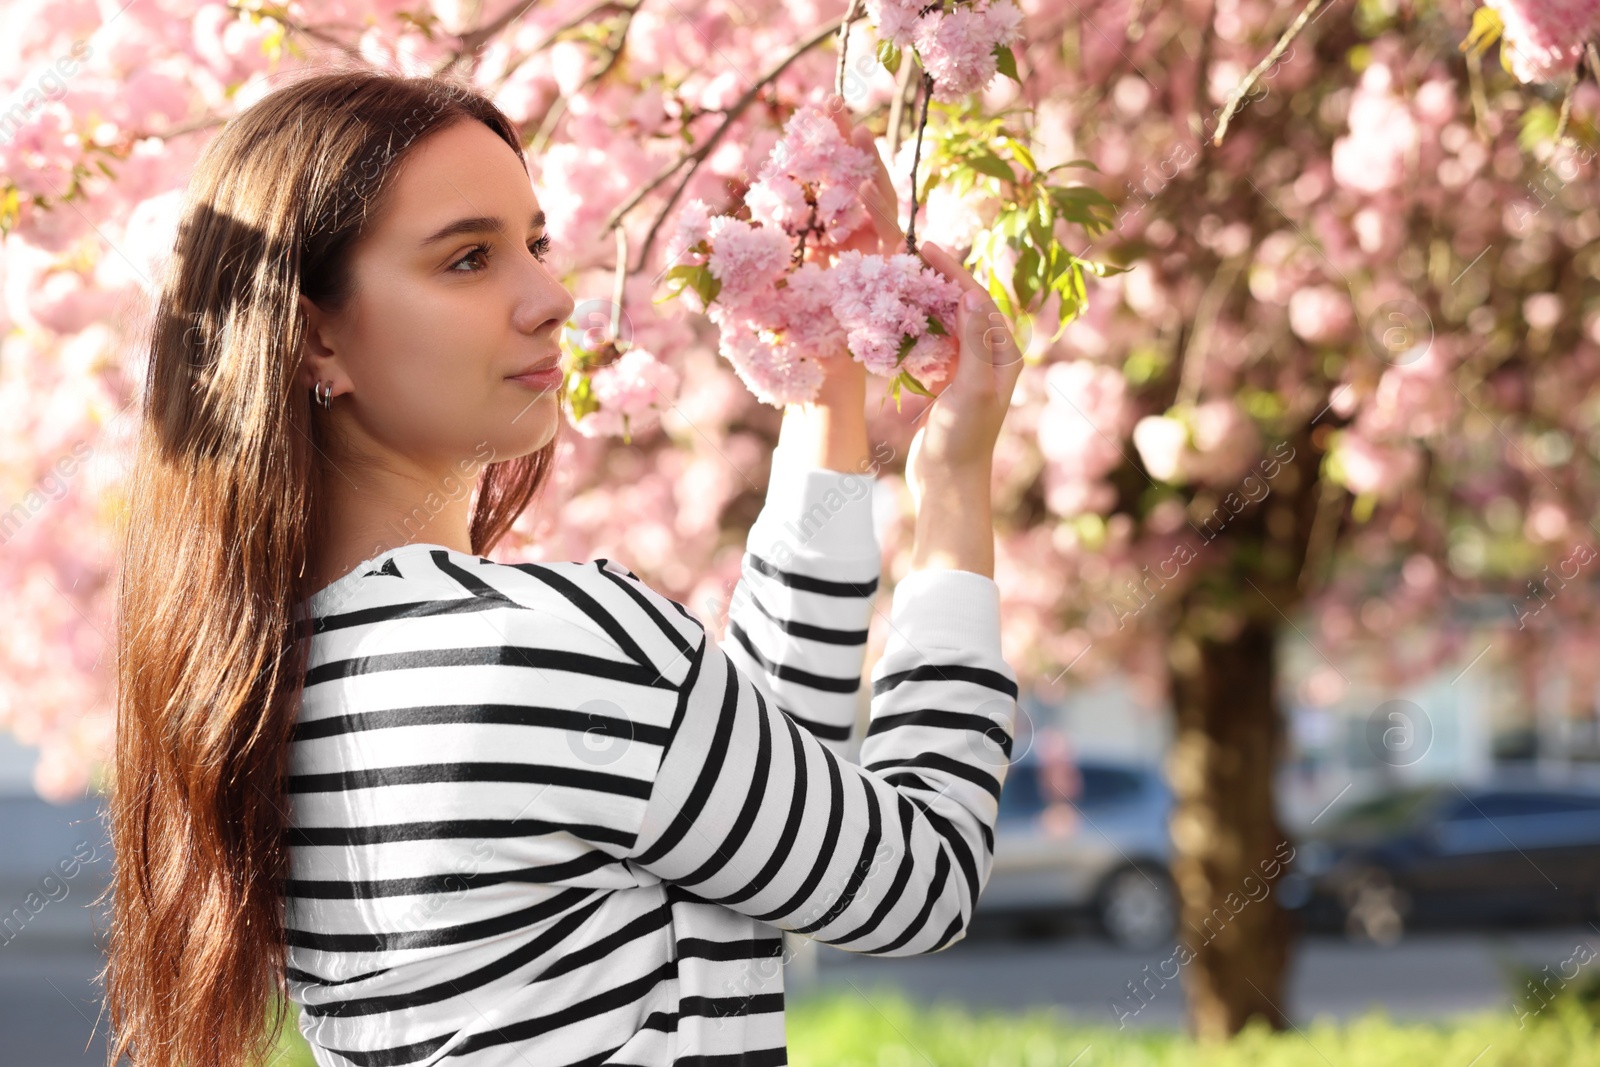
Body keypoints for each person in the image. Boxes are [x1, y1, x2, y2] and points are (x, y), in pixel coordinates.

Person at [104, 68, 1023, 1067]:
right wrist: (953, 488)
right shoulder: (537, 646)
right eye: (467, 259)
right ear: (317, 332)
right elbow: (919, 880)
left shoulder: (275, 672)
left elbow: (764, 789)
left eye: (535, 243)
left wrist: (827, 375)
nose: (550, 296)